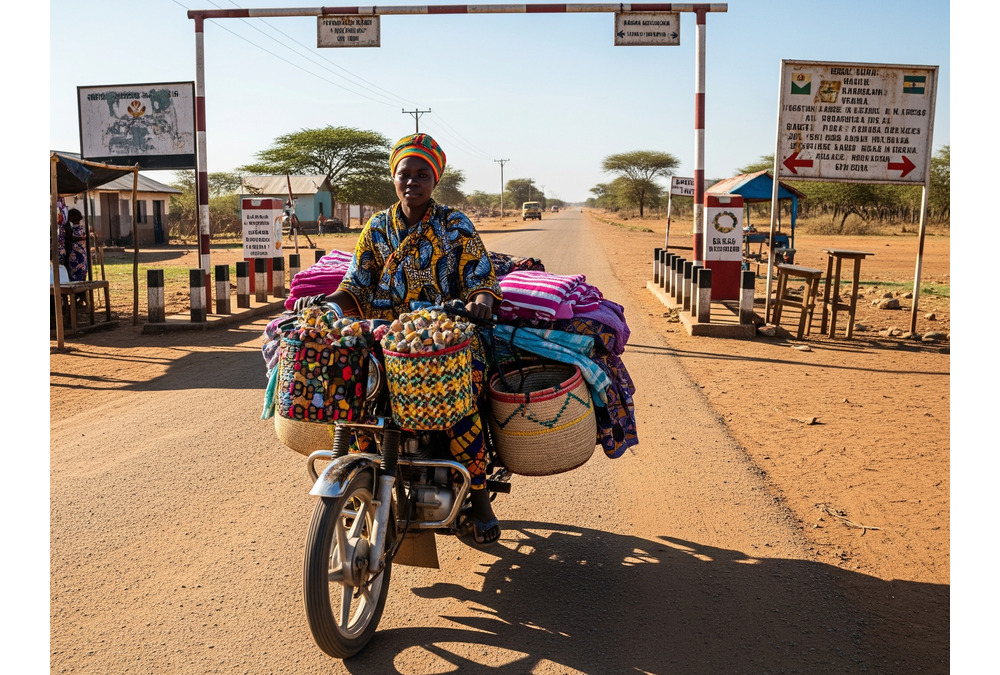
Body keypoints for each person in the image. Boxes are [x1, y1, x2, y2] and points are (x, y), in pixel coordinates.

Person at [324, 133, 503, 546]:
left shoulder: (455, 225)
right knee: (355, 401)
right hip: (386, 340)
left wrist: (479, 301)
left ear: (434, 180)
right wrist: (329, 303)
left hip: (444, 338)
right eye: (405, 173)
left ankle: (478, 496)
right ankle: (363, 473)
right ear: (394, 177)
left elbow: (481, 278)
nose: (412, 182)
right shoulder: (376, 228)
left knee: (460, 405)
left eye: (422, 174)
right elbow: (356, 284)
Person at [59, 208, 89, 282]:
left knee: (75, 275)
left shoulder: (72, 229)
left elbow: (73, 238)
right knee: (80, 274)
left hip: (76, 256)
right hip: (82, 256)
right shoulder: (82, 229)